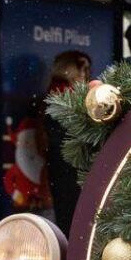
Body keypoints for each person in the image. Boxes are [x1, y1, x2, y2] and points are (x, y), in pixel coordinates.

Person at [42, 50, 93, 230]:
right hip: (66, 165)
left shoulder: (78, 93)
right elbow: (58, 137)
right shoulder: (58, 94)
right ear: (66, 68)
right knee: (69, 212)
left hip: (76, 164)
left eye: (86, 69)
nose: (83, 74)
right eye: (79, 68)